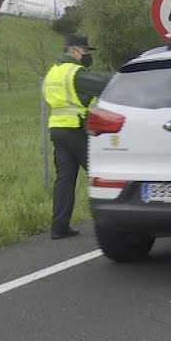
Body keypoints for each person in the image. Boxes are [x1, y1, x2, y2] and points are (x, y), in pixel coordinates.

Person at [42, 33, 110, 239]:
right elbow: (105, 85)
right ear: (72, 50)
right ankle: (114, 222)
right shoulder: (76, 73)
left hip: (57, 129)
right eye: (85, 50)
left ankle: (59, 227)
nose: (88, 54)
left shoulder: (53, 72)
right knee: (101, 174)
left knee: (64, 179)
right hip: (76, 129)